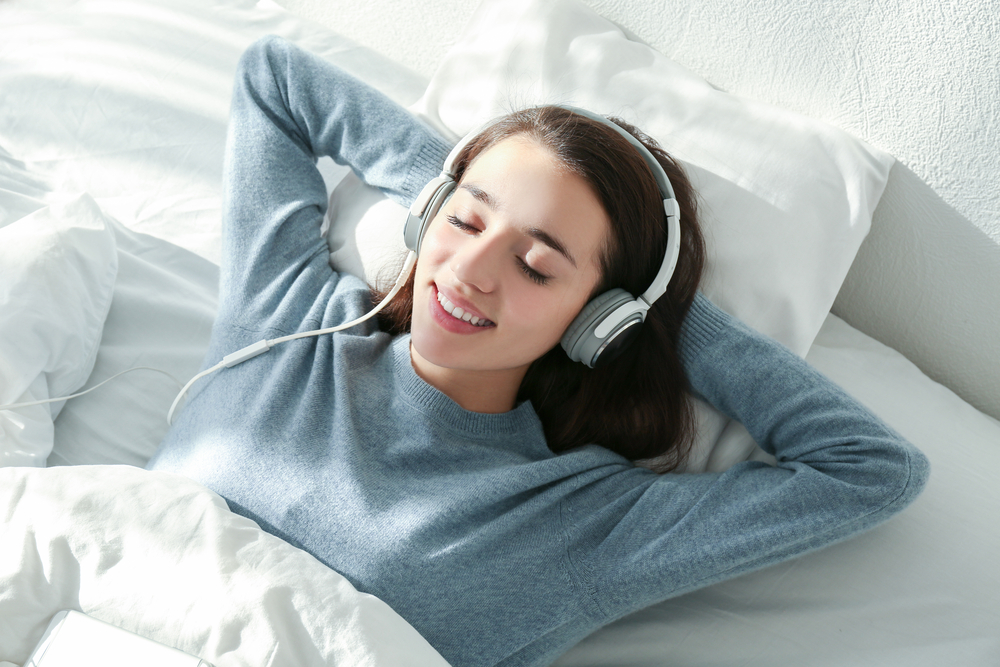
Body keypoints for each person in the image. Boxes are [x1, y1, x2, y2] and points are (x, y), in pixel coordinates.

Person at [147, 36, 929, 667]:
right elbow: (276, 78)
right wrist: (449, 194)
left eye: (535, 266)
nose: (470, 272)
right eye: (466, 223)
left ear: (599, 315)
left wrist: (651, 314)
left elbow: (871, 467)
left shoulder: (584, 522)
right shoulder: (286, 323)